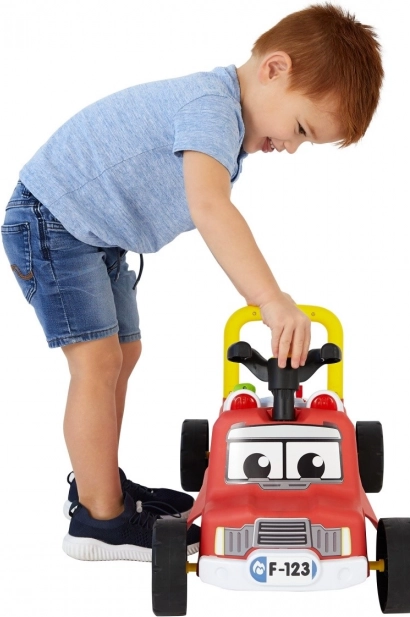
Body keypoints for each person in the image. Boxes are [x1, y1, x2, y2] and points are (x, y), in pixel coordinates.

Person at [1, 3, 383, 562]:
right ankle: (98, 520)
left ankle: (100, 483)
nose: (291, 147)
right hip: (53, 222)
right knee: (97, 363)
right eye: (301, 129)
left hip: (94, 235)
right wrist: (270, 299)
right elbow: (210, 207)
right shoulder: (212, 108)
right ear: (275, 69)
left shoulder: (223, 118)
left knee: (124, 353)